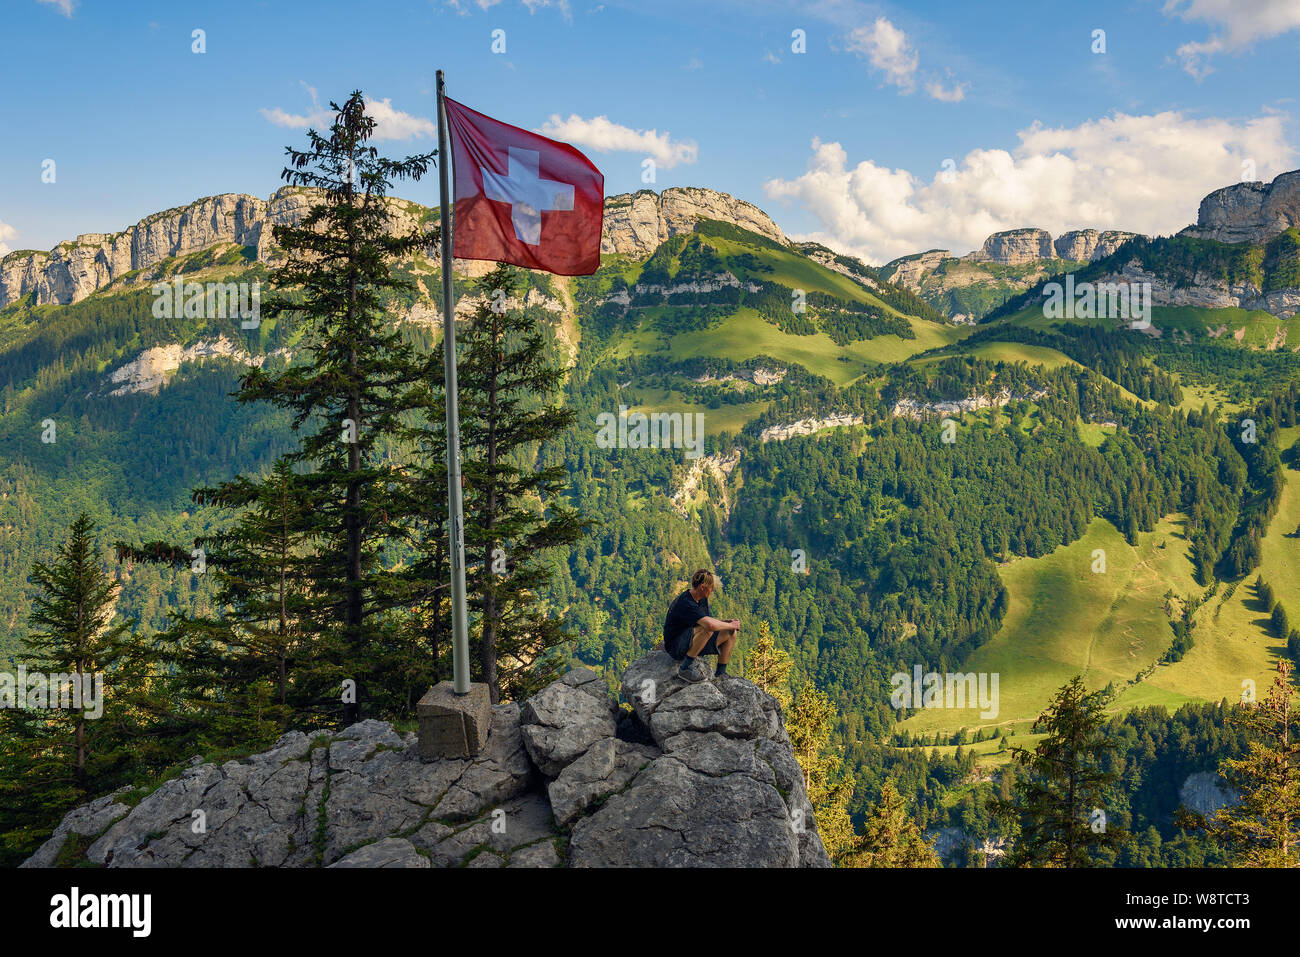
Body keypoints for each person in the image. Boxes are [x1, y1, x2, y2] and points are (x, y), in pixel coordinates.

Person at [662, 569, 739, 683]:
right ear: (702, 587)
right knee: (708, 630)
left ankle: (721, 673)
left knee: (731, 632)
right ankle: (685, 669)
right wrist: (730, 624)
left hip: (691, 639)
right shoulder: (686, 602)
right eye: (711, 587)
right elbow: (709, 625)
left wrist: (727, 623)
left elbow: (704, 620)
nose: (713, 590)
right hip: (676, 646)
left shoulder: (701, 598)